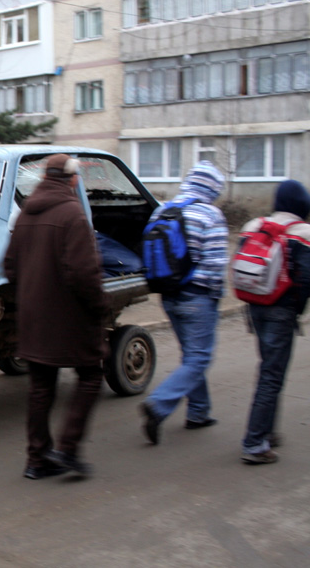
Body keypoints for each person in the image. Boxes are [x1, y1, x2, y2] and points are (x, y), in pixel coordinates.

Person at [4, 154, 110, 479]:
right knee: (91, 376)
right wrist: (100, 308)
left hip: (34, 318)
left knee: (40, 387)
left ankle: (36, 460)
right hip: (70, 318)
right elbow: (83, 274)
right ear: (72, 179)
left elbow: (9, 267)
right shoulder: (73, 215)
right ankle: (67, 449)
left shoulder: (24, 215)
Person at [140, 161, 228, 445]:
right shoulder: (210, 214)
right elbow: (215, 265)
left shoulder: (161, 210)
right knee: (199, 357)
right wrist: (215, 298)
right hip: (197, 297)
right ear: (213, 188)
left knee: (191, 354)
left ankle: (199, 412)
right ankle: (159, 404)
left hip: (168, 295)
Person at [237, 179, 310, 464]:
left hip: (255, 306)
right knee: (271, 375)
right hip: (282, 308)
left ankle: (268, 431)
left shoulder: (254, 225)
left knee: (269, 368)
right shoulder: (303, 232)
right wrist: (297, 309)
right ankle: (255, 443)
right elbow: (306, 279)